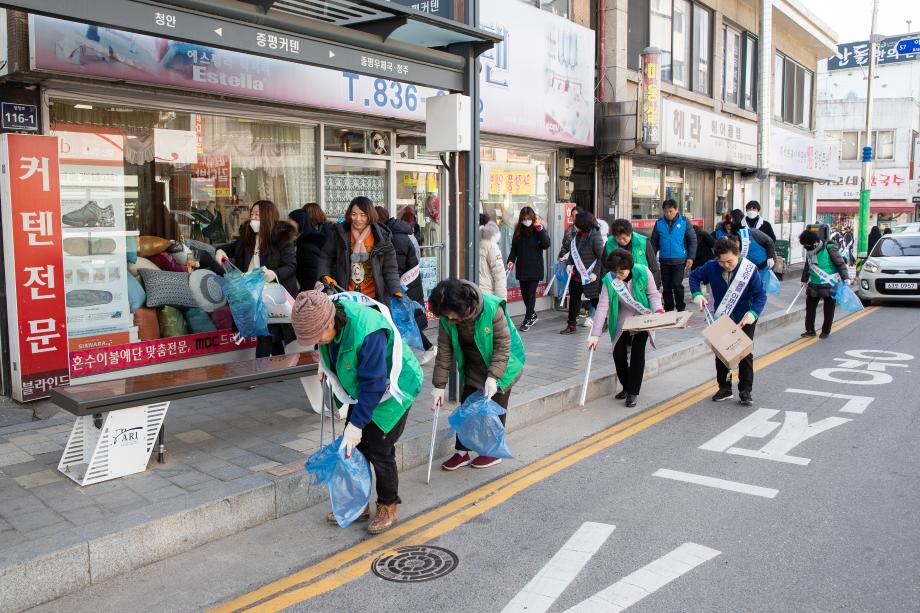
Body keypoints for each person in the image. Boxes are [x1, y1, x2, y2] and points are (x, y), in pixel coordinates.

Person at [290, 288, 422, 534]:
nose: (318, 342)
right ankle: (358, 502)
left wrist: (357, 425)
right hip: (365, 387)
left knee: (379, 448)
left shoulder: (368, 330)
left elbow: (374, 385)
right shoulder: (325, 311)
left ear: (331, 321)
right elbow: (335, 349)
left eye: (319, 336)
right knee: (355, 447)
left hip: (395, 386)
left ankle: (388, 504)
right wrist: (325, 364)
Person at [429, 278, 524, 470]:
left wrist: (493, 378)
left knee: (492, 409)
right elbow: (445, 352)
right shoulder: (447, 317)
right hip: (474, 364)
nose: (447, 320)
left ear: (463, 307)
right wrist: (439, 386)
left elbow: (503, 347)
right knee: (467, 408)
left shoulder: (491, 309)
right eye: (444, 316)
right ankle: (461, 452)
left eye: (449, 316)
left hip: (504, 363)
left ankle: (491, 452)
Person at [689, 237, 767, 406]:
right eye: (722, 262)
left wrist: (753, 312)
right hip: (722, 315)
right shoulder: (711, 267)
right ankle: (724, 388)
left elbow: (760, 294)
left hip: (745, 317)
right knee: (722, 352)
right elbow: (694, 277)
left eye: (730, 261)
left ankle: (745, 390)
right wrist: (697, 294)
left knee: (744, 352)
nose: (726, 265)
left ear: (737, 255)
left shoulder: (749, 270)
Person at [216, 200, 298, 357]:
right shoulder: (247, 237)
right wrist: (220, 252)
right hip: (250, 292)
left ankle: (260, 374)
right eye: (252, 214)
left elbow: (291, 266)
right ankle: (278, 372)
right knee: (269, 334)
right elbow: (228, 248)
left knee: (266, 333)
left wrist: (274, 274)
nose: (253, 218)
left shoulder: (281, 239)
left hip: (271, 294)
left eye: (257, 214)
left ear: (268, 217)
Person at [587, 248, 664, 408]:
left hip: (644, 318)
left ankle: (632, 392)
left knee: (637, 353)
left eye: (621, 272)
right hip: (622, 319)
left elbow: (653, 295)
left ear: (630, 266)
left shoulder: (643, 272)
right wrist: (595, 334)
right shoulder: (609, 279)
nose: (618, 276)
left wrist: (657, 310)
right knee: (618, 353)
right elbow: (602, 306)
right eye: (615, 272)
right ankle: (626, 385)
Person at [375, 206, 436, 363]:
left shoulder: (393, 237)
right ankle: (423, 349)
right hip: (408, 284)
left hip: (403, 287)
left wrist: (394, 286)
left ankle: (424, 350)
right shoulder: (401, 233)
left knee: (404, 321)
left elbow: (396, 266)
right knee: (405, 321)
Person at [317, 197, 402, 307]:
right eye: (354, 214)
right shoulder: (340, 233)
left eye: (363, 215)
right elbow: (326, 257)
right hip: (346, 296)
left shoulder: (382, 237)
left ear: (370, 215)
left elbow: (390, 268)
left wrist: (395, 289)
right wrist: (325, 275)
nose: (357, 219)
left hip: (374, 298)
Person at [507, 206, 551, 331]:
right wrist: (510, 261)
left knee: (531, 294)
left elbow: (546, 244)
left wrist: (541, 230)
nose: (526, 221)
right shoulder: (518, 231)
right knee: (525, 294)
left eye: (528, 218)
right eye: (524, 219)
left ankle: (527, 320)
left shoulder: (538, 229)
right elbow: (514, 249)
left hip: (535, 267)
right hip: (522, 267)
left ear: (533, 218)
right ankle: (532, 314)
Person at [799, 230, 848, 339]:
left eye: (807, 245)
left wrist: (845, 278)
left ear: (815, 243)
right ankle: (810, 330)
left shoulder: (830, 248)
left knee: (829, 308)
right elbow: (808, 265)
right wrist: (804, 279)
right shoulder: (810, 252)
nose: (806, 248)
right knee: (810, 308)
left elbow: (840, 263)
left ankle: (826, 331)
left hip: (829, 283)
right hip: (814, 283)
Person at [561, 211, 604, 335]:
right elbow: (572, 252)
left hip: (590, 276)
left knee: (595, 300)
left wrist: (595, 272)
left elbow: (601, 257)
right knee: (574, 301)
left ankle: (605, 321)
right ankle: (571, 325)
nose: (575, 224)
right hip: (576, 276)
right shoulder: (577, 235)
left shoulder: (595, 236)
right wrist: (569, 264)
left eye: (576, 222)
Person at [650, 199, 697, 312]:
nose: (668, 214)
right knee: (666, 287)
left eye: (670, 211)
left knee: (676, 284)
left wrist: (691, 257)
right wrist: (651, 258)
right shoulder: (659, 223)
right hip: (664, 259)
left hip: (679, 260)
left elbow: (692, 240)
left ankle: (681, 309)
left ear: (676, 210)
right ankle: (669, 309)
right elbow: (654, 242)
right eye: (665, 211)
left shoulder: (685, 222)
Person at [288, 202, 333, 291]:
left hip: (310, 293)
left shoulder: (307, 246)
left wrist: (304, 296)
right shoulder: (304, 241)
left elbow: (310, 277)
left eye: (290, 223)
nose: (288, 227)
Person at [607, 219, 661, 286]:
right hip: (618, 286)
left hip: (641, 285)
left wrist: (655, 287)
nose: (621, 241)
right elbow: (604, 268)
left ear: (630, 233)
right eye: (617, 238)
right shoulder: (609, 244)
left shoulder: (643, 242)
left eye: (624, 238)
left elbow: (653, 267)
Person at [479, 213, 508, 301]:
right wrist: (501, 300)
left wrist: (500, 300)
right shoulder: (490, 245)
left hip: (484, 295)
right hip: (483, 293)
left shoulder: (490, 245)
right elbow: (499, 273)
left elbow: (499, 273)